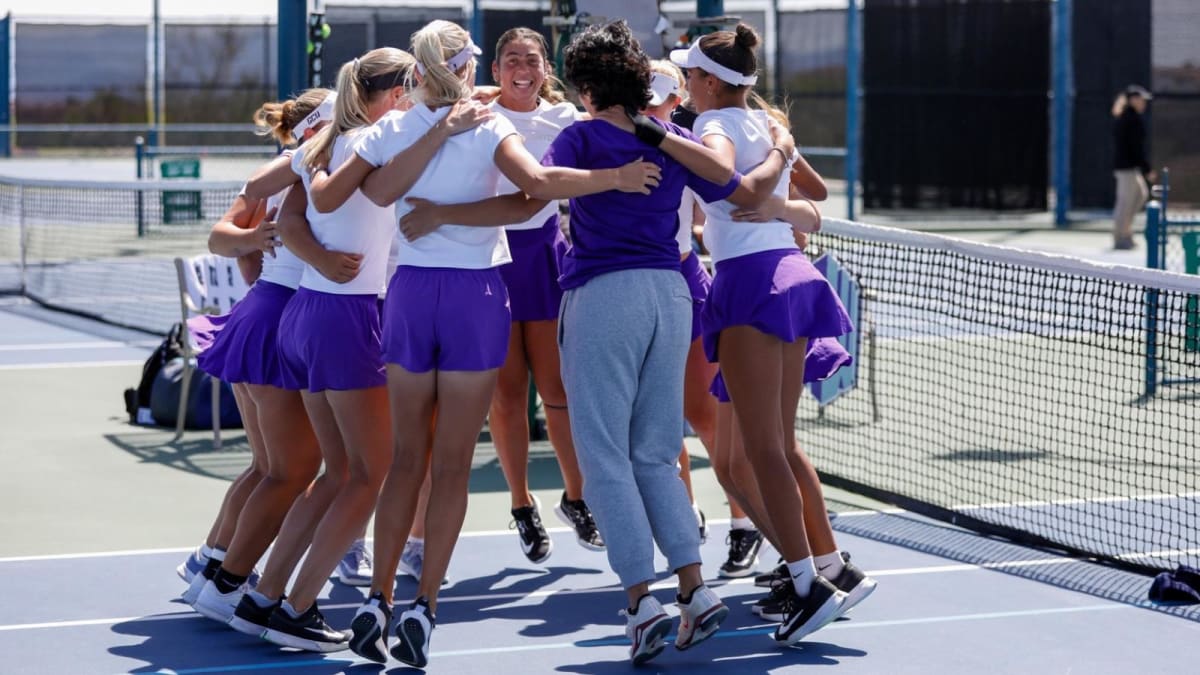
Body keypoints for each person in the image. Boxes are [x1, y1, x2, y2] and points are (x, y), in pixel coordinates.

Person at [398, 19, 794, 665]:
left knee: (605, 455)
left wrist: (442, 213)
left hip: (605, 298)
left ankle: (642, 603)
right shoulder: (674, 136)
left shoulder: (581, 135)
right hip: (671, 297)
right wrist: (780, 146)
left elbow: (529, 200)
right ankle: (693, 590)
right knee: (657, 452)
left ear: (583, 87)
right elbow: (735, 186)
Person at [309, 20, 659, 668]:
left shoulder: (397, 126)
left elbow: (374, 192)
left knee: (406, 460)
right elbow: (539, 192)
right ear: (469, 67)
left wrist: (437, 140)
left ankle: (378, 597)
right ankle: (425, 605)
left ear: (419, 71)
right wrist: (614, 179)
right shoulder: (486, 126)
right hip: (473, 300)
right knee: (449, 466)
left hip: (412, 296)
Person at [672, 24, 861, 645]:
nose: (686, 86)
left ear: (707, 81)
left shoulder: (712, 126)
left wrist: (762, 172)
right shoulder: (761, 120)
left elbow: (743, 185)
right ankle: (821, 570)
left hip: (754, 284)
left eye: (690, 76)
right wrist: (779, 154)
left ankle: (808, 584)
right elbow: (815, 191)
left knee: (763, 452)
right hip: (792, 274)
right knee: (773, 446)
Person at [177, 88, 334, 614]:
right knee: (290, 472)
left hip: (264, 315)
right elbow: (221, 238)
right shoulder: (300, 170)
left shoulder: (311, 167)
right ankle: (227, 584)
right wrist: (258, 236)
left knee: (269, 467)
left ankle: (211, 563)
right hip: (278, 318)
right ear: (320, 123)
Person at [486, 26, 603, 562]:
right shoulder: (477, 115)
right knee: (508, 396)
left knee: (558, 390)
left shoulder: (568, 119)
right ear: (496, 70)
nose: (522, 68)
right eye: (512, 59)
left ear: (546, 70)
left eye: (532, 59)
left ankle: (575, 498)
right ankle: (520, 505)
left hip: (547, 257)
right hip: (491, 258)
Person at [1112, 84, 1153, 250]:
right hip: (1126, 168)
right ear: (1133, 100)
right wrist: (1147, 168)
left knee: (1141, 195)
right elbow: (1135, 148)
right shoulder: (1130, 119)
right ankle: (1120, 237)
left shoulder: (1130, 117)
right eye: (1141, 99)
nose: (1144, 103)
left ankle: (1125, 232)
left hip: (1131, 167)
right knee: (1125, 202)